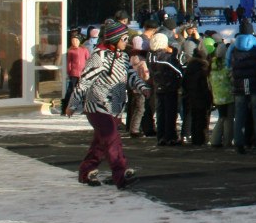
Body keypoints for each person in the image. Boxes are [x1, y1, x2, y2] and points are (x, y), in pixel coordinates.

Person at [68, 20, 149, 189]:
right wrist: (73, 103)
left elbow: (131, 76)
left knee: (100, 144)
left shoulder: (123, 56)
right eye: (124, 39)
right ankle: (121, 174)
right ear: (115, 39)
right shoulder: (99, 56)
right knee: (112, 140)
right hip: (98, 106)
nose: (126, 42)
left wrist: (143, 87)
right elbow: (85, 81)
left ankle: (86, 171)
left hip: (116, 107)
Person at [227, 19, 256, 154]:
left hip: (238, 85)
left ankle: (239, 144)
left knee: (239, 115)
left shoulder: (233, 47)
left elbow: (228, 65)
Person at [147, 32, 185, 146]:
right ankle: (170, 136)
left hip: (158, 86)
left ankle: (161, 136)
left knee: (161, 112)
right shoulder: (165, 57)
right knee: (170, 113)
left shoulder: (150, 55)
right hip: (170, 87)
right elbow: (178, 70)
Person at [182, 44, 213, 146]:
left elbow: (184, 83)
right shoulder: (203, 68)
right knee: (202, 119)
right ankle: (201, 139)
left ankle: (195, 138)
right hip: (201, 97)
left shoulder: (189, 66)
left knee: (194, 117)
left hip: (190, 96)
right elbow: (205, 85)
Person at [62, 34, 89, 116]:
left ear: (80, 41)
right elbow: (69, 62)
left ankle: (86, 108)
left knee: (84, 91)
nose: (74, 42)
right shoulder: (70, 51)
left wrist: (88, 70)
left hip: (83, 73)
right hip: (74, 73)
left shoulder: (84, 50)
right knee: (70, 90)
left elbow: (88, 59)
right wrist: (69, 71)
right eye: (73, 41)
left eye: (76, 40)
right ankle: (65, 108)